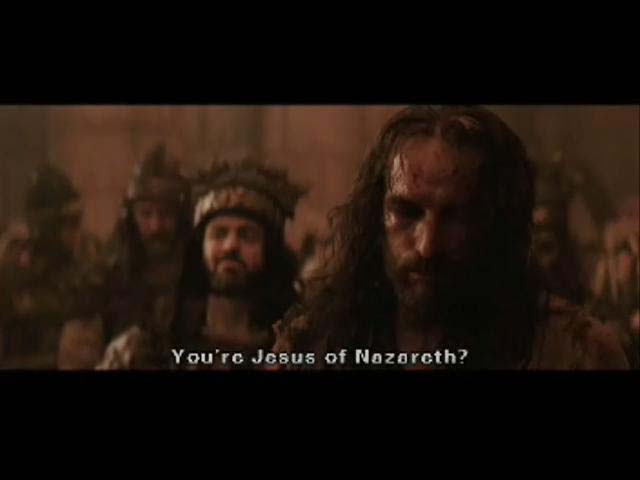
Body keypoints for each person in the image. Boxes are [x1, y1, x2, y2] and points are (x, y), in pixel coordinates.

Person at [273, 106, 629, 370]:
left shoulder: (575, 353)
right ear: (375, 216)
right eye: (407, 212)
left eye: (457, 217)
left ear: (494, 224)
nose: (427, 246)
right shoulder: (310, 346)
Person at [92, 144, 191, 369]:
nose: (155, 226)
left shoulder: (197, 273)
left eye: (165, 214)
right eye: (146, 214)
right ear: (131, 216)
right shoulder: (107, 276)